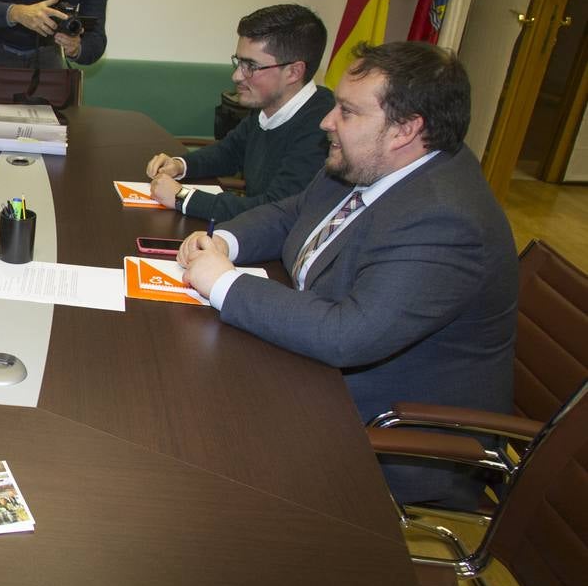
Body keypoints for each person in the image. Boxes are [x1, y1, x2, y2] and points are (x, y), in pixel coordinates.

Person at [178, 42, 518, 508]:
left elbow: (347, 335)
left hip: (388, 435)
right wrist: (225, 244)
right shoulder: (367, 163)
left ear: (405, 129)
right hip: (314, 382)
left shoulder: (445, 218)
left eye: (347, 111)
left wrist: (223, 282)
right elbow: (291, 213)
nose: (326, 121)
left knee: (193, 444)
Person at [144, 4, 333, 221]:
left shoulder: (323, 128)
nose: (236, 76)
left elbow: (276, 211)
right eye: (239, 62)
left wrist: (182, 197)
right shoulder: (268, 105)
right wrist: (180, 165)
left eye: (250, 66)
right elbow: (229, 152)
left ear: (293, 72)